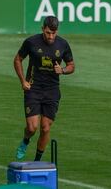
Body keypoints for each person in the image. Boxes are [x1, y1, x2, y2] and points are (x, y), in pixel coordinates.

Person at [14, 16, 75, 161]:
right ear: (42, 29)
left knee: (45, 128)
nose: (51, 36)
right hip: (33, 89)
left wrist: (64, 70)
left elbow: (72, 65)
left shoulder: (63, 44)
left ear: (57, 31)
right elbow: (17, 59)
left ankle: (37, 161)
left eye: (53, 33)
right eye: (48, 33)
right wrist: (23, 81)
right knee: (32, 128)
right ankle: (25, 141)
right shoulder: (31, 42)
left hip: (52, 91)